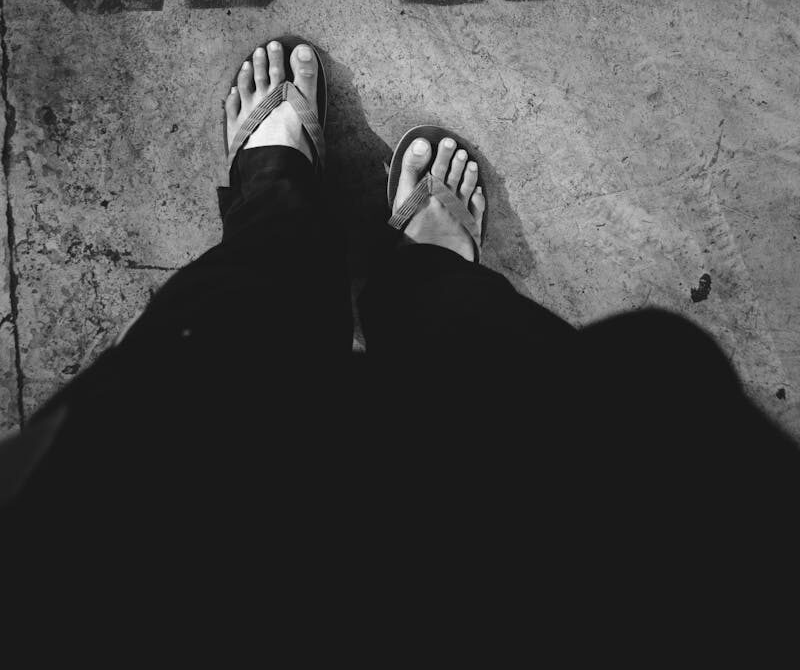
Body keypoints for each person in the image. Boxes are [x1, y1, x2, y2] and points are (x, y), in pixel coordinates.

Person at [2, 35, 798, 647]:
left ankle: (278, 210)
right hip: (556, 573)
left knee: (215, 348)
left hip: (130, 565)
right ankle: (420, 267)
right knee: (530, 391)